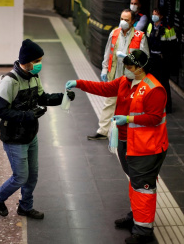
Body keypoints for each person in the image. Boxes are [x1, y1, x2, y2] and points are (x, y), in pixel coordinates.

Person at [66, 49, 168, 244]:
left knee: (144, 187)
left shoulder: (154, 89)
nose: (126, 70)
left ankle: (143, 230)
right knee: (135, 182)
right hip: (127, 142)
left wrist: (128, 118)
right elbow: (104, 89)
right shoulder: (125, 81)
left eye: (129, 67)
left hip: (147, 147)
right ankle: (136, 215)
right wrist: (79, 84)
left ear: (140, 68)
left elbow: (155, 118)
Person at [0, 39, 75, 219]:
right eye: (37, 61)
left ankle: (25, 207)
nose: (39, 64)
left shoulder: (34, 77)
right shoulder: (9, 81)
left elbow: (42, 98)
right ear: (26, 61)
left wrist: (63, 97)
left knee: (32, 176)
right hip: (14, 138)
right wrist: (27, 116)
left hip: (30, 135)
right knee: (20, 177)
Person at [87, 8, 149, 140]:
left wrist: (128, 58)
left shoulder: (140, 36)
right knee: (109, 103)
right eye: (122, 19)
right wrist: (104, 69)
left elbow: (145, 58)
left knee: (132, 106)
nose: (123, 22)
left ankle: (132, 133)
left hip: (131, 78)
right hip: (115, 76)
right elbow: (107, 53)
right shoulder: (114, 33)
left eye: (126, 20)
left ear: (133, 21)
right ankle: (103, 131)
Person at [146, 7, 177, 113]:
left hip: (162, 60)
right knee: (151, 82)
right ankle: (153, 104)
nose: (154, 16)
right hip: (152, 58)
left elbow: (173, 46)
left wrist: (166, 58)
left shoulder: (168, 28)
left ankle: (167, 107)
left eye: (156, 14)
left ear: (161, 16)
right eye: (153, 13)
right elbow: (147, 40)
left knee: (164, 83)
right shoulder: (150, 25)